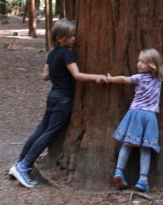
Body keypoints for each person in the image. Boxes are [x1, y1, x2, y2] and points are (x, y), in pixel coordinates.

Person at [9, 19, 105, 188]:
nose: (74, 39)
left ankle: (19, 162)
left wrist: (57, 73)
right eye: (70, 36)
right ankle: (24, 166)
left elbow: (45, 75)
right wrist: (97, 77)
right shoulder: (67, 54)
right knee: (50, 133)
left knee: (41, 129)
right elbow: (77, 75)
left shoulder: (53, 53)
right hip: (63, 99)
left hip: (53, 95)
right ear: (60, 38)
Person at [105, 48, 163, 192]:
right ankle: (142, 179)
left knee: (127, 144)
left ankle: (119, 171)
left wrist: (109, 79)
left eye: (144, 62)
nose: (139, 64)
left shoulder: (140, 77)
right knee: (145, 148)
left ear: (153, 65)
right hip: (149, 116)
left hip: (135, 114)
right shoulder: (159, 77)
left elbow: (123, 79)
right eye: (139, 61)